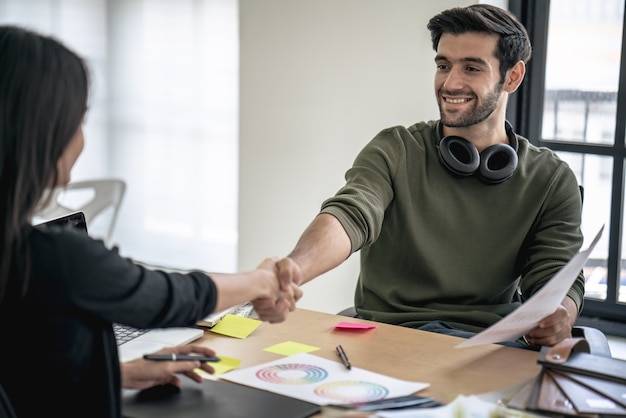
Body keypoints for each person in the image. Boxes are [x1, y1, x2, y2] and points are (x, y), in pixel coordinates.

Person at [0, 25, 301, 418]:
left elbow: (21, 368)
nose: (82, 138)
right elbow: (163, 297)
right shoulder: (50, 256)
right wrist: (262, 281)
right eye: (79, 121)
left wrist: (114, 372)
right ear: (44, 132)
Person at [261, 4, 585, 350]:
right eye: (443, 65)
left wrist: (561, 312)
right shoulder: (396, 149)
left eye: (472, 68)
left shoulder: (551, 179)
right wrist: (291, 271)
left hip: (490, 349)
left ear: (513, 77)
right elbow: (350, 215)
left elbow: (557, 276)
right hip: (387, 339)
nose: (450, 82)